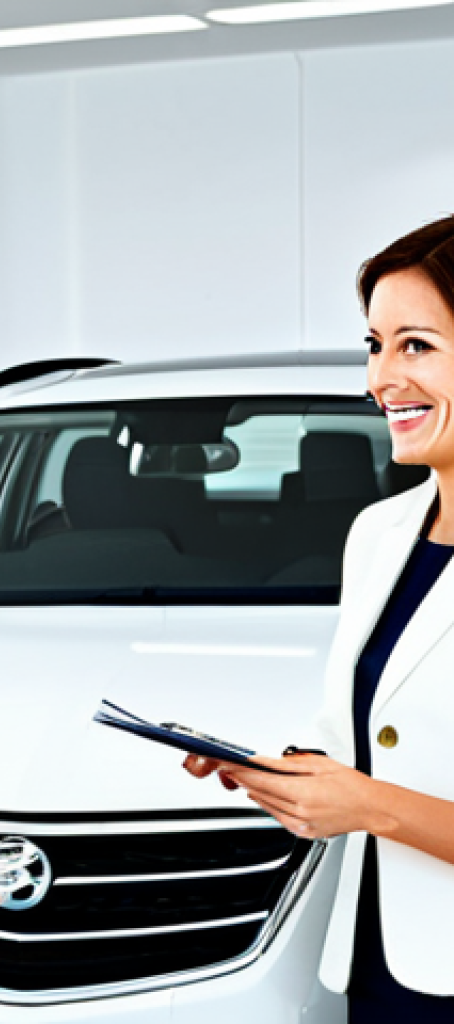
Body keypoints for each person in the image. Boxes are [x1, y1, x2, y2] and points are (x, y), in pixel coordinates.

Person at [185, 215, 454, 1022]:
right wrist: (289, 773)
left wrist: (364, 804)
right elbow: (374, 734)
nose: (381, 377)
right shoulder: (378, 535)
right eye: (374, 345)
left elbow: (377, 790)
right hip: (381, 966)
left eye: (416, 345)